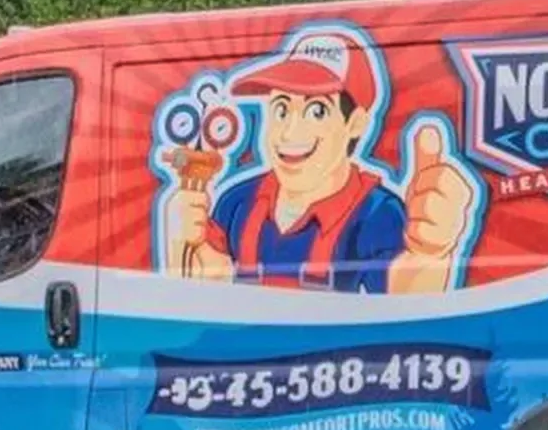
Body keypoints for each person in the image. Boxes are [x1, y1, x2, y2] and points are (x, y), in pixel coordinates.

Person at [161, 30, 478, 295]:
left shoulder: (376, 214)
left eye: (317, 111)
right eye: (281, 108)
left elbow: (403, 304)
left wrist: (430, 255)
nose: (289, 132)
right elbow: (207, 292)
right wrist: (183, 251)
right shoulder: (237, 203)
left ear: (355, 123)